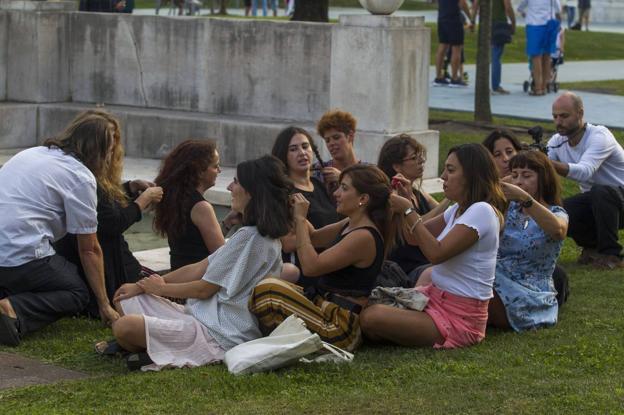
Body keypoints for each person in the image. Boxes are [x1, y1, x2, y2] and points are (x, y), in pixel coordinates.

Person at [106, 155, 291, 371]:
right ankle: (153, 348)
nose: (230, 187)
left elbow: (204, 289)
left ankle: (158, 349)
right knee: (124, 297)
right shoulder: (253, 236)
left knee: (124, 327)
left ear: (252, 191)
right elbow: (199, 267)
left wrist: (160, 288)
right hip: (200, 317)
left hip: (218, 334)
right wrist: (140, 287)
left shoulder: (252, 238)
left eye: (236, 182)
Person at [360, 143, 506, 349]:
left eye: (451, 170)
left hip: (460, 317)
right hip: (436, 297)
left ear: (472, 176)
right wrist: (405, 203)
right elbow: (412, 238)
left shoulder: (482, 211)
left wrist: (410, 211)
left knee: (371, 317)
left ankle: (396, 330)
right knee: (366, 305)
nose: (443, 176)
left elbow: (436, 254)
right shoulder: (458, 209)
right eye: (445, 169)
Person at [0, 110, 120, 346]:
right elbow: (89, 249)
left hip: (7, 252)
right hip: (19, 256)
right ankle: (13, 309)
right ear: (101, 150)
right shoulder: (80, 176)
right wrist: (104, 304)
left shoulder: (31, 153)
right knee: (77, 292)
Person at [250, 165, 396, 352]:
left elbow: (311, 267)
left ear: (363, 199)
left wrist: (301, 219)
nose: (336, 193)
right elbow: (315, 237)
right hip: (324, 311)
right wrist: (291, 206)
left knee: (267, 290)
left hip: (339, 328)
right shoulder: (350, 223)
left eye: (344, 188)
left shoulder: (364, 236)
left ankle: (277, 339)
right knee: (265, 284)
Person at [55, 166, 163, 317]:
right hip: (105, 268)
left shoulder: (78, 178)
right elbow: (112, 222)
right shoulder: (86, 181)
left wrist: (129, 187)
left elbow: (106, 205)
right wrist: (143, 200)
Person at [483, 130, 570, 305]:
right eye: (515, 176)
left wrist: (525, 198)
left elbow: (558, 230)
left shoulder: (556, 212)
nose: (519, 181)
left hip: (529, 290)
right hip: (498, 277)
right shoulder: (509, 208)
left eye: (527, 176)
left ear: (543, 179)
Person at [548, 92, 624, 269]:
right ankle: (592, 247)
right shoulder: (557, 141)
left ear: (580, 114)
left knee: (601, 191)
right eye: (555, 116)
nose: (558, 121)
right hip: (600, 203)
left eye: (564, 116)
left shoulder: (600, 136)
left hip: (617, 198)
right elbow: (541, 170)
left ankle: (611, 255)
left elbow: (585, 172)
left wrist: (545, 162)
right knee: (560, 210)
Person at [271, 127, 340, 286]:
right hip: (305, 275)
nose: (302, 153)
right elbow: (287, 244)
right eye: (293, 149)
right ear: (284, 155)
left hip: (331, 266)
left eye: (305, 146)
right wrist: (339, 239)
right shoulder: (283, 193)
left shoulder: (319, 184)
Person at [377, 134, 451, 282]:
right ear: (396, 166)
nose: (421, 161)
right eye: (414, 158)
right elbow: (417, 227)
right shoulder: (393, 197)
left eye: (420, 157)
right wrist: (449, 199)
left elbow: (442, 216)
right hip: (407, 270)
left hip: (426, 263)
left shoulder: (416, 191)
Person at [153, 140, 225, 271]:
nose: (219, 171)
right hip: (197, 280)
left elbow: (194, 242)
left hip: (178, 274)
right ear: (199, 171)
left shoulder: (175, 199)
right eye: (215, 166)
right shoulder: (201, 207)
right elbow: (223, 256)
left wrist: (227, 223)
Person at [312, 109, 366, 197]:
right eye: (327, 140)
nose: (331, 143)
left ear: (350, 136)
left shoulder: (368, 171)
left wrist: (343, 178)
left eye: (336, 137)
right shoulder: (318, 171)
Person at [517, 0, 561, 96]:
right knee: (547, 56)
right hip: (549, 25)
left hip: (534, 25)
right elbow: (558, 8)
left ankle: (538, 88)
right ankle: (544, 87)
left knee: (536, 57)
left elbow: (520, 7)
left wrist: (524, 14)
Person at [474, 0, 516, 94]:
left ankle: (482, 86)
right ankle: (496, 85)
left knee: (484, 55)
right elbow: (508, 6)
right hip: (499, 23)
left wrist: (473, 20)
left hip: (484, 23)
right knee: (496, 56)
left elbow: (476, 3)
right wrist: (513, 22)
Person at [434, 0, 474, 86]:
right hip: (454, 19)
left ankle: (438, 77)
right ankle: (455, 78)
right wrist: (470, 18)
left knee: (442, 46)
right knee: (457, 48)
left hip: (442, 18)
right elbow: (462, 2)